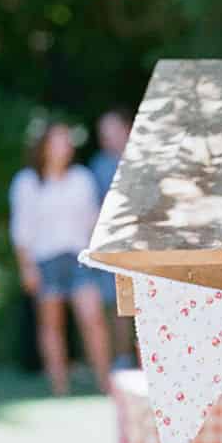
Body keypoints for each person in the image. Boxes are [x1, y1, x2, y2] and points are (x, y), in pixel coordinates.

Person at [10, 122, 109, 393]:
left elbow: (93, 220)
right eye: (56, 142)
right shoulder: (28, 183)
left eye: (66, 142)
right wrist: (26, 267)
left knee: (92, 318)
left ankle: (105, 382)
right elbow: (21, 230)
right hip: (45, 260)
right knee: (51, 325)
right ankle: (59, 385)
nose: (62, 148)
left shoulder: (81, 178)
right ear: (43, 147)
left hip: (78, 257)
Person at [89, 109, 136, 365]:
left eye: (113, 131)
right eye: (103, 134)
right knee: (115, 304)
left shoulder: (145, 159)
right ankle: (121, 360)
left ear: (127, 129)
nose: (108, 138)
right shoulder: (98, 165)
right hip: (112, 246)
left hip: (144, 245)